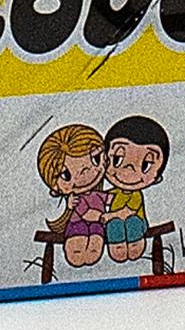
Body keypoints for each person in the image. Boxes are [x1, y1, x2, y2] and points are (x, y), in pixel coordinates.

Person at [100, 114, 170, 263]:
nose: (129, 169)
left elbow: (128, 212)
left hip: (137, 224)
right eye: (117, 159)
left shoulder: (136, 195)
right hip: (117, 225)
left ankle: (133, 245)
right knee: (114, 225)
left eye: (145, 165)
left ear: (157, 178)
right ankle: (117, 246)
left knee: (131, 222)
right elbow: (101, 199)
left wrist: (109, 216)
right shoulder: (114, 192)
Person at [37, 123, 109, 268]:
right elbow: (86, 213)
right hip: (78, 225)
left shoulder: (99, 194)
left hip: (97, 227)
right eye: (66, 175)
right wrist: (105, 217)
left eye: (95, 159)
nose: (85, 173)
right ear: (55, 187)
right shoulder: (76, 199)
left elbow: (112, 199)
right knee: (76, 250)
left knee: (94, 248)